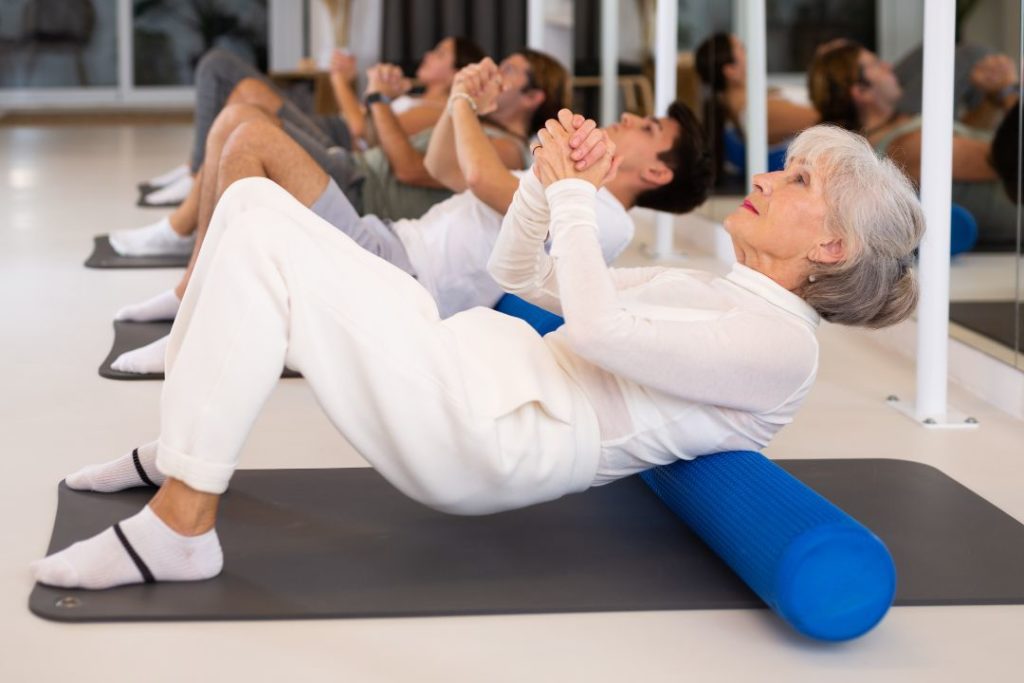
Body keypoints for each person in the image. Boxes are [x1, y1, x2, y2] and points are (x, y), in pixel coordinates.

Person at [32, 116, 923, 590]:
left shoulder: (782, 347)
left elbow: (596, 330)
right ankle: (172, 448)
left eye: (797, 181)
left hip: (492, 430)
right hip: (467, 358)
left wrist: (576, 196)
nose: (766, 177)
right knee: (252, 209)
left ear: (832, 248)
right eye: (786, 167)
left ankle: (184, 527)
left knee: (266, 236)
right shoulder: (719, 289)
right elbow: (519, 279)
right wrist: (545, 186)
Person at [106, 58, 711, 375]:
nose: (630, 120)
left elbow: (479, 176)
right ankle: (192, 298)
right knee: (242, 125)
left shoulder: (605, 218)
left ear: (656, 173)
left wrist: (465, 105)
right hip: (388, 244)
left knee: (250, 138)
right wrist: (458, 101)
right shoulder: (573, 183)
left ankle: (196, 326)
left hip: (399, 279)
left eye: (648, 128)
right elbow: (448, 168)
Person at [110, 49, 563, 261]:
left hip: (360, 192)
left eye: (507, 72)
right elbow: (428, 164)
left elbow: (405, 163)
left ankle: (183, 236)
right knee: (242, 108)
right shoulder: (475, 125)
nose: (496, 73)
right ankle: (188, 227)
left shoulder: (506, 147)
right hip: (353, 171)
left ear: (531, 97)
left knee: (243, 117)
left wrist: (376, 97)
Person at [137, 38, 486, 207]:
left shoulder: (438, 109)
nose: (427, 54)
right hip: (343, 141)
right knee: (242, 91)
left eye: (440, 54)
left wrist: (343, 82)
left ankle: (197, 176)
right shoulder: (418, 94)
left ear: (457, 73)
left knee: (229, 77)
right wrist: (379, 92)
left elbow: (363, 132)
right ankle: (196, 172)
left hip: (343, 146)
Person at [808, 41, 1019, 247]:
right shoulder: (906, 147)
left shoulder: (902, 126)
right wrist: (1009, 91)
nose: (888, 67)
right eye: (876, 65)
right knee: (975, 53)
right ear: (861, 92)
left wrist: (993, 101)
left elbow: (968, 134)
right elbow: (1014, 159)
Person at [694, 32, 820, 184]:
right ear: (730, 70)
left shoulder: (757, 103)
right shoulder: (755, 113)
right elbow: (830, 117)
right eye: (743, 49)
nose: (751, 54)